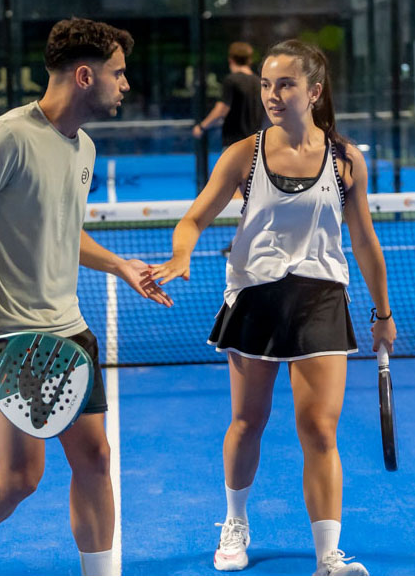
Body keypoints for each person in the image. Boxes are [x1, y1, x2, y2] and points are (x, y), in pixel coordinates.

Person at [0, 18, 172, 576]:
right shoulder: (7, 137)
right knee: (21, 478)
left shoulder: (83, 147)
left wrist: (119, 265)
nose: (126, 84)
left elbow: (62, 228)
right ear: (85, 76)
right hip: (1, 336)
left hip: (68, 331)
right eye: (118, 73)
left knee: (96, 458)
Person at [153, 39, 396, 576]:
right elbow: (193, 219)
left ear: (314, 91)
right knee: (247, 422)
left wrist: (383, 314)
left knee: (320, 430)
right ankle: (235, 522)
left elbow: (364, 241)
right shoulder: (243, 154)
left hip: (321, 300)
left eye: (285, 84)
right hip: (255, 298)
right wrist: (181, 254)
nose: (272, 94)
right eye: (266, 84)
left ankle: (328, 556)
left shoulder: (345, 160)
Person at [194, 41, 266, 201]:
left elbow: (221, 109)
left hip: (234, 145)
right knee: (249, 190)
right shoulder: (259, 82)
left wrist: (202, 127)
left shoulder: (231, 80)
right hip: (256, 145)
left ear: (231, 60)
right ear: (249, 60)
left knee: (228, 188)